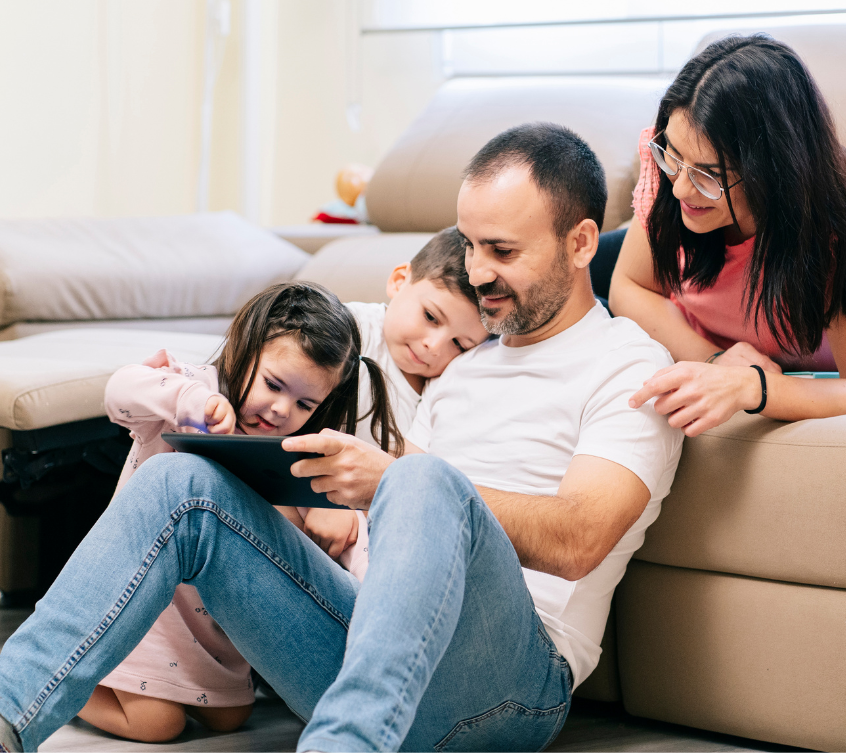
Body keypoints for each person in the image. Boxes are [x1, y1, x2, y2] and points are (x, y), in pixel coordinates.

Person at [0, 123, 682, 753]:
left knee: (418, 478)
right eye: (470, 245)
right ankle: (8, 713)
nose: (476, 272)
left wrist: (391, 479)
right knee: (180, 482)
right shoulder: (454, 361)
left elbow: (580, 540)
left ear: (582, 242)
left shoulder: (630, 366)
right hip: (363, 642)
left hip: (507, 687)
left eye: (502, 251)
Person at [79, 281, 402, 743]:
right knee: (157, 722)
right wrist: (193, 401)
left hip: (215, 630)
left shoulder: (298, 453)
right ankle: (76, 684)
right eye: (273, 384)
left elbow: (337, 551)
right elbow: (120, 392)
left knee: (231, 717)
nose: (279, 409)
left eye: (304, 403)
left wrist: (347, 520)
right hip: (149, 605)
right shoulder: (193, 394)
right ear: (244, 347)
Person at [602, 34, 846, 437]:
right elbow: (629, 287)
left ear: (774, 174)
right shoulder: (675, 168)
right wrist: (716, 361)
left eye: (710, 175)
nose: (679, 190)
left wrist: (753, 386)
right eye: (672, 156)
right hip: (663, 297)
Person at [294, 226, 491, 570]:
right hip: (299, 490)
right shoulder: (349, 332)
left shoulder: (445, 387)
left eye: (460, 344)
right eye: (430, 317)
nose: (435, 345)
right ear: (399, 281)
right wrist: (318, 504)